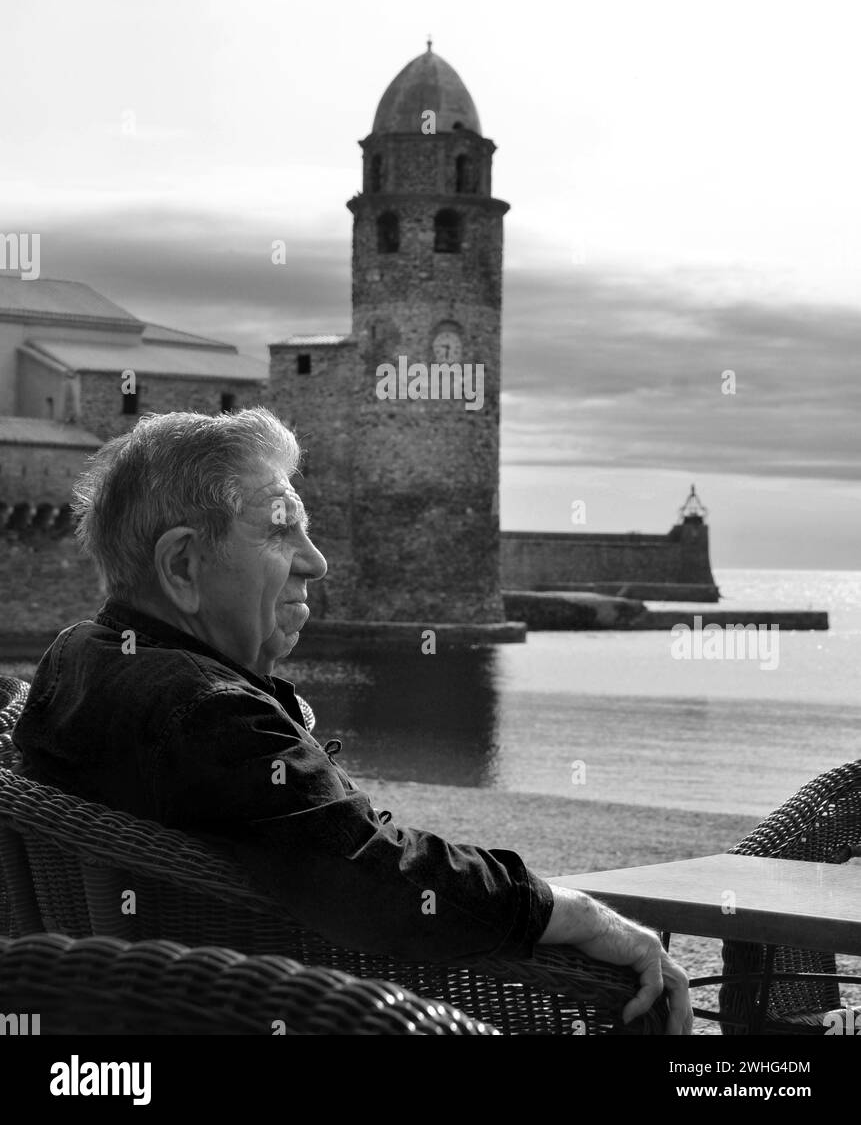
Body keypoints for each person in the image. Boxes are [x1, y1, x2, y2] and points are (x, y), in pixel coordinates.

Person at [13, 408, 692, 1034]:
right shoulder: (207, 713)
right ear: (183, 565)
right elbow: (383, 876)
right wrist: (565, 911)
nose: (316, 560)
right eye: (282, 530)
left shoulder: (79, 656)